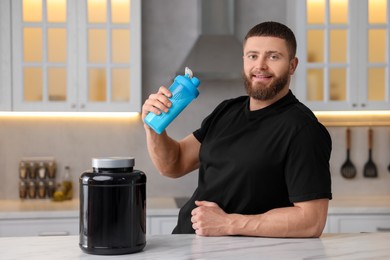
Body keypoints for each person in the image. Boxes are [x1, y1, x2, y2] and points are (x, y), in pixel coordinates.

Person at [141, 21, 332, 238]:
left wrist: (228, 223)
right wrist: (153, 129)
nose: (260, 66)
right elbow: (173, 164)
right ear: (244, 60)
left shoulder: (303, 129)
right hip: (187, 242)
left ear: (292, 65)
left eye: (273, 57)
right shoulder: (227, 110)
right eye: (252, 56)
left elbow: (311, 221)